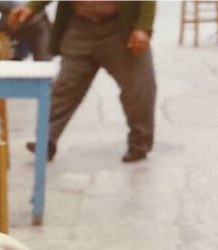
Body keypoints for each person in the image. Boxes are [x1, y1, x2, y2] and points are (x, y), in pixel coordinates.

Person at [9, 1, 156, 162]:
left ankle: (139, 144)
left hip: (119, 28)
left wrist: (143, 27)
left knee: (139, 88)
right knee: (64, 87)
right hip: (80, 26)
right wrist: (32, 7)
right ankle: (46, 140)